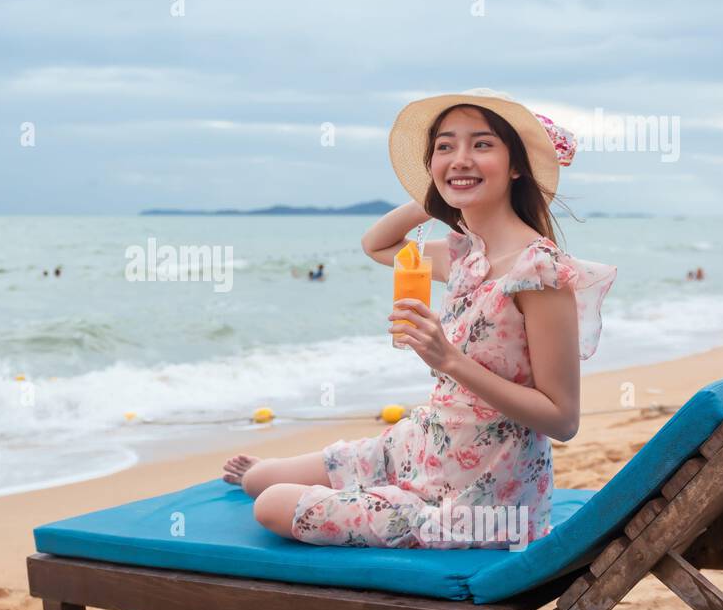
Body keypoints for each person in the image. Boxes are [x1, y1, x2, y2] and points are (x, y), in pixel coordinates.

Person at [222, 89, 617, 550]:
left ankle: (373, 497)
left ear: (517, 166)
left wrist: (448, 359)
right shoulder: (465, 253)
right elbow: (377, 245)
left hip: (479, 500)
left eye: (482, 145)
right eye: (445, 147)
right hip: (423, 442)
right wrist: (437, 196)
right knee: (260, 479)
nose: (460, 158)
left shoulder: (539, 274)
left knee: (270, 503)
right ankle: (363, 485)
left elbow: (562, 420)